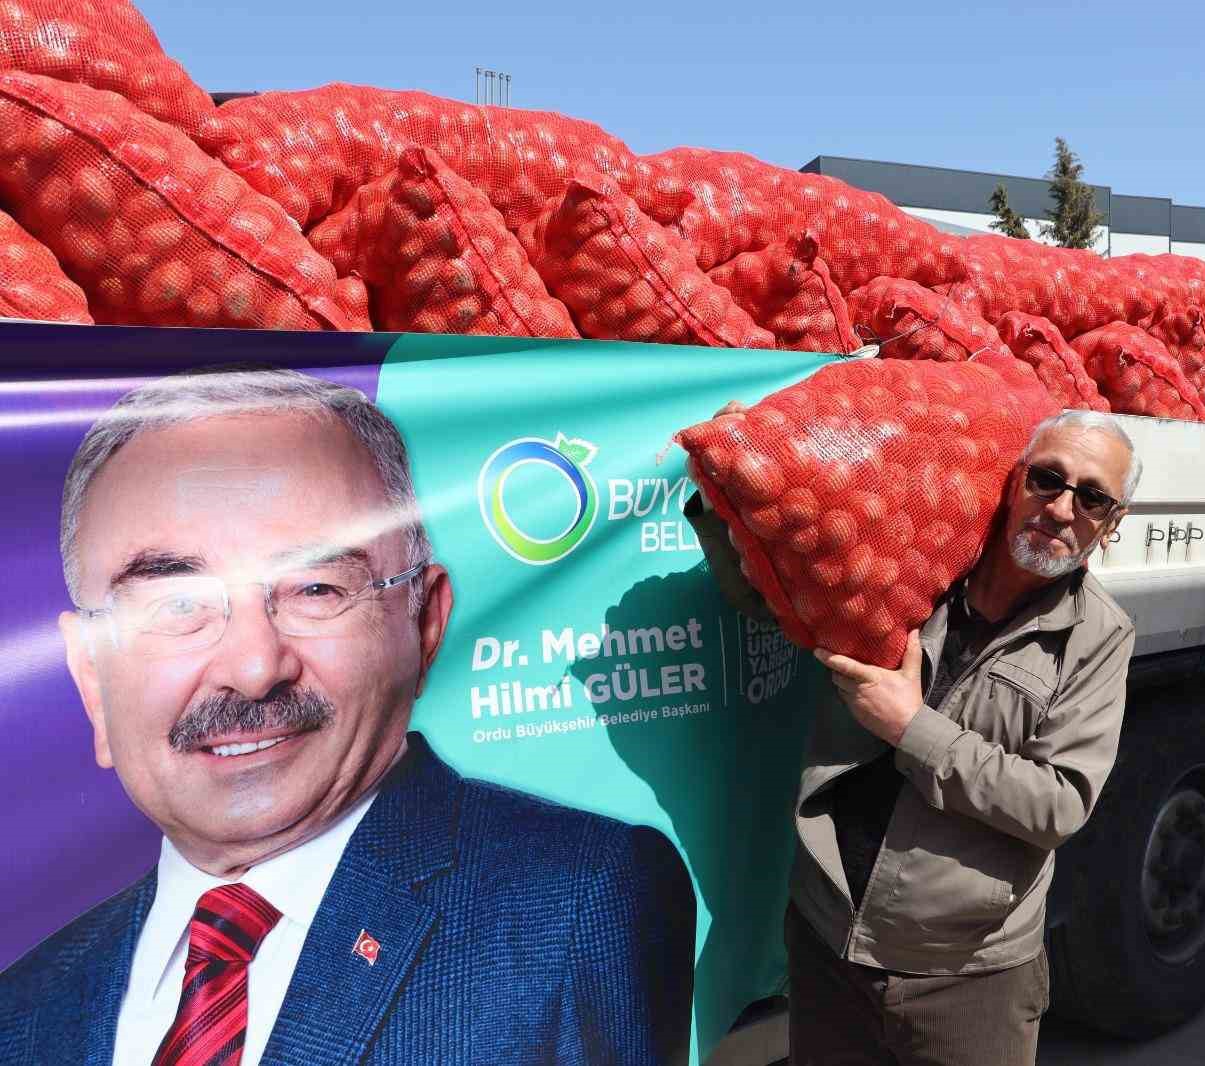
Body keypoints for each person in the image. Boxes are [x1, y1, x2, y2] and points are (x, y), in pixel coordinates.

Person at [0, 366, 694, 1066]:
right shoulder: (23, 1009)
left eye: (315, 589)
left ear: (424, 626)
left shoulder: (574, 905)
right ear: (90, 678)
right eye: (176, 606)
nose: (252, 667)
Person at [691, 408, 1137, 1066]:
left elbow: (1059, 804)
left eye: (1092, 496)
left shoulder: (1099, 637)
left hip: (967, 976)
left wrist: (912, 729)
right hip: (829, 939)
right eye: (1048, 479)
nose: (1062, 506)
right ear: (1015, 482)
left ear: (1112, 524)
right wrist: (720, 493)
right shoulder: (918, 559)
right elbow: (769, 596)